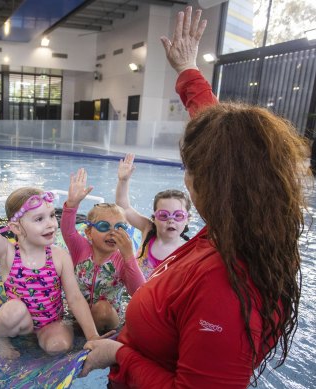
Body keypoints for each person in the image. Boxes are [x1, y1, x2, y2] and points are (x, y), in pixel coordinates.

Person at [80, 7, 305, 388]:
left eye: (191, 170)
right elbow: (226, 144)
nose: (186, 180)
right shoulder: (244, 227)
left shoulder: (228, 287)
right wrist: (187, 70)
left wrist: (119, 354)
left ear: (216, 184)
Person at [0, 146, 110, 359]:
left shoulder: (59, 256)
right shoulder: (8, 253)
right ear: (15, 228)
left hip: (51, 323)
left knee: (58, 346)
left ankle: (3, 327)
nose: (51, 224)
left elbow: (75, 298)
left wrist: (93, 336)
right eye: (39, 219)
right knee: (11, 311)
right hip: (21, 323)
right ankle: (0, 337)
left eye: (52, 215)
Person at [61, 168, 145, 332]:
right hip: (78, 315)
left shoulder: (121, 260)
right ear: (89, 232)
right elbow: (68, 231)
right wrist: (71, 204)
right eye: (104, 226)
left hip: (108, 320)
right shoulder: (81, 249)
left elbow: (140, 293)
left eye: (119, 227)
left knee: (102, 309)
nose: (113, 232)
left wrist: (129, 257)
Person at [116, 153, 192, 279]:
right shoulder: (148, 229)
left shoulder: (186, 251)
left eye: (178, 216)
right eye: (163, 215)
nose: (171, 220)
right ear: (154, 218)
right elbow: (124, 208)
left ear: (187, 219)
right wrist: (123, 181)